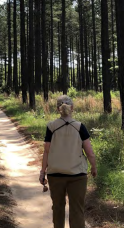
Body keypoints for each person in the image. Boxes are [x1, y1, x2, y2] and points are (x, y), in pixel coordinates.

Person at [39, 95, 97, 228]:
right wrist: (94, 168)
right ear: (72, 108)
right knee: (77, 211)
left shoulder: (51, 127)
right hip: (77, 175)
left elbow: (46, 151)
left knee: (58, 208)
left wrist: (43, 172)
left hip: (55, 174)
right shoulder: (80, 127)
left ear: (57, 109)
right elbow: (90, 153)